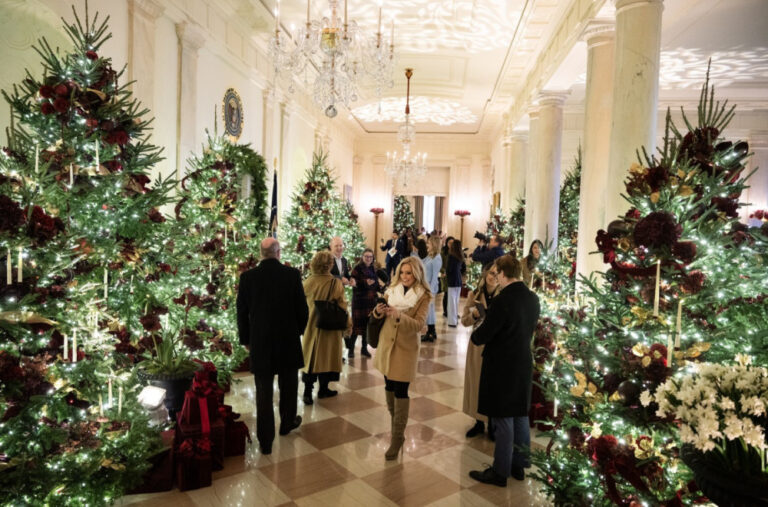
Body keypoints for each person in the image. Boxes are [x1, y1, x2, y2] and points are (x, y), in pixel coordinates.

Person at [468, 256, 540, 487]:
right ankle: (519, 464)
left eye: (496, 272)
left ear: (501, 273)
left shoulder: (502, 300)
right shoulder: (532, 298)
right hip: (523, 361)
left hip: (502, 364)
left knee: (502, 416)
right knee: (520, 413)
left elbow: (484, 334)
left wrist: (476, 332)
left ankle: (500, 471)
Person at [237, 238, 308, 455]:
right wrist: (297, 331)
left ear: (261, 253)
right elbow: (302, 310)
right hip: (287, 340)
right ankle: (287, 423)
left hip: (261, 342)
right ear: (278, 252)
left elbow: (242, 313)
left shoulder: (248, 277)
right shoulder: (292, 274)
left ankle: (266, 441)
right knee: (289, 386)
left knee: (264, 392)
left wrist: (246, 340)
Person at [370, 257, 431, 459]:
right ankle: (396, 430)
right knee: (388, 387)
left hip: (406, 349)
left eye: (409, 273)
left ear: (417, 274)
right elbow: (380, 315)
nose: (405, 277)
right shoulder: (391, 290)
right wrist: (378, 312)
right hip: (387, 344)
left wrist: (399, 315)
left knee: (400, 390)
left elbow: (419, 325)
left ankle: (397, 438)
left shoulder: (423, 295)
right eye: (402, 272)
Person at [301, 250, 349, 405]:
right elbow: (342, 306)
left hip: (312, 326)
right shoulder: (336, 283)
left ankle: (307, 392)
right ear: (330, 265)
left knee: (311, 359)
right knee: (327, 359)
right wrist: (348, 326)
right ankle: (323, 389)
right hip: (331, 328)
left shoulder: (308, 282)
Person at [460, 265, 499, 439]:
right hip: (477, 345)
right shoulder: (474, 295)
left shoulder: (503, 295)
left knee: (491, 384)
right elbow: (464, 321)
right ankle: (478, 421)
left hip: (495, 345)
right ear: (485, 273)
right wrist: (475, 314)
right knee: (475, 382)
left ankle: (492, 423)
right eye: (491, 273)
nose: (493, 277)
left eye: (497, 274)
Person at [349, 248, 382, 358]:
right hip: (359, 302)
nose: (368, 258)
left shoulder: (373, 268)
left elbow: (376, 283)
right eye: (366, 256)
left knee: (366, 326)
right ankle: (350, 350)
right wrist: (364, 282)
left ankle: (364, 349)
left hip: (370, 302)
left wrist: (381, 288)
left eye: (370, 257)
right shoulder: (357, 268)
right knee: (356, 327)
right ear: (362, 257)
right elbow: (353, 282)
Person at [329, 236, 355, 352]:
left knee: (341, 323)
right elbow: (326, 276)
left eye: (341, 245)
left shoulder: (344, 260)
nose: (339, 248)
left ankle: (341, 350)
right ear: (331, 247)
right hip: (330, 296)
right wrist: (340, 278)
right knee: (333, 325)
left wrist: (351, 279)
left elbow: (347, 275)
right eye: (336, 246)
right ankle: (333, 351)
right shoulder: (327, 260)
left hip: (341, 296)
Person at [421, 235, 442, 342]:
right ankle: (431, 332)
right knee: (429, 310)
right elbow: (421, 262)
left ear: (434, 244)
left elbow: (434, 277)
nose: (427, 245)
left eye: (428, 243)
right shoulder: (430, 256)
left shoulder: (437, 258)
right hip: (426, 286)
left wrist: (431, 291)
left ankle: (431, 332)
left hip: (430, 288)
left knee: (429, 310)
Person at [445, 239, 466, 327]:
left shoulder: (451, 256)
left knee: (451, 302)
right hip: (458, 280)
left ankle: (452, 322)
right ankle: (454, 320)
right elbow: (464, 268)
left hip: (452, 280)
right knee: (456, 301)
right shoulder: (461, 256)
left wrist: (446, 274)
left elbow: (449, 269)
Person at [440, 236, 454, 317]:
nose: (451, 245)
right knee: (446, 294)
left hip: (452, 275)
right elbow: (440, 264)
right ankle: (445, 311)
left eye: (452, 243)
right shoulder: (443, 252)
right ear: (447, 243)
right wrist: (443, 271)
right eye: (449, 243)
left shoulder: (455, 252)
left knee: (452, 295)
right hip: (445, 275)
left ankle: (452, 311)